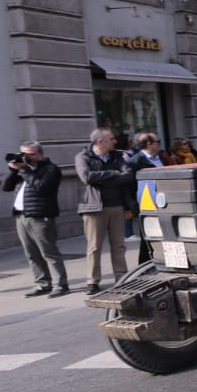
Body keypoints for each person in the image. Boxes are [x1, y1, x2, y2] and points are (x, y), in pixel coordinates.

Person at [2, 141, 69, 298]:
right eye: (23, 154)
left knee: (49, 252)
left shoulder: (51, 169)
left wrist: (24, 170)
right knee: (31, 253)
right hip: (21, 215)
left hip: (40, 216)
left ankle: (61, 285)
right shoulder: (21, 170)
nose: (26, 157)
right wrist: (12, 170)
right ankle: (43, 284)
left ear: (40, 154)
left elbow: (42, 187)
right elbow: (5, 187)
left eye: (30, 154)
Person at [76, 127, 137, 296]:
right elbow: (86, 177)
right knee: (94, 247)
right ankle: (92, 281)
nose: (115, 141)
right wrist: (112, 173)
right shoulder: (83, 157)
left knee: (119, 245)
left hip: (116, 205)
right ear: (100, 141)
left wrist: (102, 179)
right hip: (94, 208)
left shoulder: (117, 156)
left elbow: (128, 175)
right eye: (111, 139)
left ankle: (121, 278)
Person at [126, 133, 165, 263]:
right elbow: (129, 186)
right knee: (148, 236)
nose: (160, 144)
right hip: (146, 204)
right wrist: (133, 206)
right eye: (158, 142)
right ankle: (145, 264)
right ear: (149, 144)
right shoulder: (134, 162)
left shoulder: (162, 157)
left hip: (164, 202)